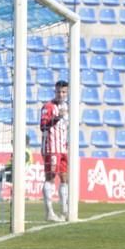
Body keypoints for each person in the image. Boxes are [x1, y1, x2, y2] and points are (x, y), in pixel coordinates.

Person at [39, 80, 69, 222]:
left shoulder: (67, 107)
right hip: (51, 148)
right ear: (55, 92)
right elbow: (43, 126)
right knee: (50, 178)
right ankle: (49, 212)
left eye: (63, 92)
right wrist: (57, 117)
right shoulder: (48, 106)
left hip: (63, 148)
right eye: (58, 92)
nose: (61, 94)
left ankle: (64, 210)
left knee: (64, 178)